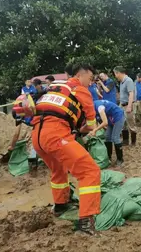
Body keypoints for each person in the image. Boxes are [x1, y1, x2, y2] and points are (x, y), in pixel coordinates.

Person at [31, 63, 101, 236]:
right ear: (79, 75)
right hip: (56, 135)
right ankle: (86, 222)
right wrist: (84, 128)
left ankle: (61, 205)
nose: (91, 83)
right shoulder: (80, 89)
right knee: (90, 172)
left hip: (37, 137)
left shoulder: (54, 86)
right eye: (90, 79)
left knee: (58, 170)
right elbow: (90, 124)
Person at [89, 100, 125, 166]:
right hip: (110, 118)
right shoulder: (92, 108)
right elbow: (95, 122)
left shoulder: (99, 107)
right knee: (107, 136)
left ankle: (120, 159)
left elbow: (105, 122)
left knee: (115, 137)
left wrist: (95, 130)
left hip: (118, 116)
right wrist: (93, 131)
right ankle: (109, 157)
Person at [113, 66, 137, 146]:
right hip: (122, 105)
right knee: (123, 123)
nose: (115, 76)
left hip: (128, 104)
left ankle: (133, 142)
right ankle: (125, 140)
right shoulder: (121, 82)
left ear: (118, 73)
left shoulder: (128, 80)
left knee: (131, 123)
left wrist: (129, 106)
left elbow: (131, 94)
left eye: (115, 74)